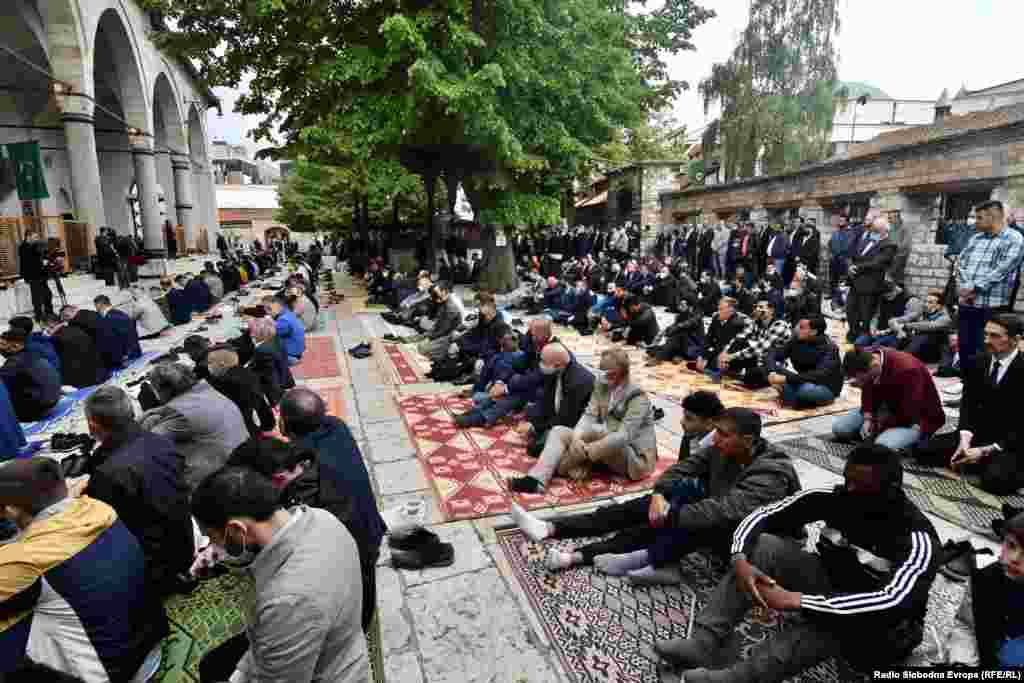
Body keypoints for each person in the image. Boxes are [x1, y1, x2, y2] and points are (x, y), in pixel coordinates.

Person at [653, 443, 939, 682]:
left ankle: (738, 678)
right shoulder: (836, 497)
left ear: (891, 488)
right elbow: (761, 515)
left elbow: (891, 601)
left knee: (822, 630)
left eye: (861, 486)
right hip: (832, 582)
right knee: (763, 546)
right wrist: (739, 557)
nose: (849, 489)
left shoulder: (917, 538)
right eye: (847, 479)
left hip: (880, 624)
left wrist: (797, 600)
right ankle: (704, 643)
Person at [192, 467, 369, 683]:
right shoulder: (323, 518)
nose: (212, 545)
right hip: (342, 648)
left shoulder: (287, 602)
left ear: (237, 530)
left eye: (211, 537)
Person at [0, 457, 167, 681]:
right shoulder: (100, 509)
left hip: (113, 675)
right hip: (151, 649)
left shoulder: (22, 560)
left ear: (10, 509)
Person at [278, 387, 388, 630]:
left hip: (351, 543)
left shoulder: (302, 464)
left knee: (354, 583)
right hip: (369, 525)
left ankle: (357, 626)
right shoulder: (337, 426)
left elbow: (303, 516)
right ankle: (362, 620)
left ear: (284, 423)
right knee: (365, 577)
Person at [82, 386, 195, 595]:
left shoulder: (107, 474)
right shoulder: (159, 441)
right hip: (185, 544)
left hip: (154, 565)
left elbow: (103, 526)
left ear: (92, 424)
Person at [508, 348, 657, 493]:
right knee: (559, 431)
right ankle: (536, 480)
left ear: (618, 374)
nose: (600, 374)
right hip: (603, 444)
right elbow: (589, 414)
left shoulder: (637, 398)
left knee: (595, 433)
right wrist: (576, 438)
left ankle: (570, 466)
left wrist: (584, 451)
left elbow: (622, 437)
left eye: (605, 371)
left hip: (633, 459)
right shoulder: (602, 384)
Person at [913, 314, 1024, 494]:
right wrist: (965, 437)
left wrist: (987, 450)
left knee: (996, 481)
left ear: (1016, 339)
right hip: (977, 433)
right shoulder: (978, 361)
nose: (987, 340)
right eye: (986, 334)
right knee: (921, 450)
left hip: (1009, 442)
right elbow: (968, 403)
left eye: (995, 336)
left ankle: (984, 461)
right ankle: (974, 459)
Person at [139, 362, 249, 491]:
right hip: (240, 456)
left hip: (218, 476)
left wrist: (146, 419)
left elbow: (150, 442)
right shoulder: (206, 391)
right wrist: (153, 413)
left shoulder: (181, 415)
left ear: (163, 390)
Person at [942, 510, 1024, 668]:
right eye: (1011, 545)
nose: (1014, 558)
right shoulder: (983, 578)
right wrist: (963, 662)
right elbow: (965, 624)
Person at [832, 347, 945, 451]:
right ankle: (873, 433)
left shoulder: (909, 371)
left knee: (882, 446)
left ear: (874, 366)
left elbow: (908, 414)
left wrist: (877, 425)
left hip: (915, 418)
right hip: (883, 409)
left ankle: (912, 439)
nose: (858, 382)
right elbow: (868, 390)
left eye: (860, 379)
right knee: (840, 428)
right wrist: (868, 417)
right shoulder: (867, 355)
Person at [955, 200, 1024, 366]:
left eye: (979, 218)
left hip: (992, 306)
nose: (975, 221)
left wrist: (973, 287)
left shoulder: (1014, 239)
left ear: (993, 217)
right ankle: (967, 384)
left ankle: (983, 388)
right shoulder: (976, 238)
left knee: (986, 350)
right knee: (965, 348)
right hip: (967, 303)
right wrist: (963, 286)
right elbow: (960, 262)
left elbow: (1002, 270)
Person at [516, 342, 595, 456]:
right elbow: (546, 401)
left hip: (574, 425)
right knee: (530, 413)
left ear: (557, 364)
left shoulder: (578, 382)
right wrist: (533, 424)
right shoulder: (556, 371)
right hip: (558, 414)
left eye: (543, 362)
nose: (540, 364)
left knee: (534, 449)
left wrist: (536, 428)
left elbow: (566, 418)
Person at [766, 316, 843, 408]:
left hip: (824, 386)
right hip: (800, 380)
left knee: (805, 390)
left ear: (813, 332)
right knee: (763, 369)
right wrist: (771, 372)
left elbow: (818, 375)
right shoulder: (796, 340)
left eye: (802, 327)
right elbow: (772, 353)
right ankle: (792, 395)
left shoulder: (830, 348)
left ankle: (790, 394)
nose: (796, 329)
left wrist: (786, 379)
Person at [846, 213, 898, 343]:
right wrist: (850, 266)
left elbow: (878, 263)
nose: (872, 231)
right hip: (855, 283)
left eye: (876, 229)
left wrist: (857, 267)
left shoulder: (889, 245)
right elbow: (854, 255)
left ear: (884, 230)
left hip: (870, 286)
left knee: (866, 315)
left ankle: (864, 341)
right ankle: (853, 334)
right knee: (850, 311)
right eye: (873, 229)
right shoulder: (867, 240)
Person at [206, 347, 276, 436]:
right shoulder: (250, 374)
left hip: (244, 429)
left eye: (209, 363)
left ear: (221, 364)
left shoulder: (221, 382)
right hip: (262, 422)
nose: (208, 366)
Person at [723, 299, 791, 387]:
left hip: (773, 363)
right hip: (759, 358)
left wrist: (731, 356)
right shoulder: (756, 322)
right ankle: (731, 371)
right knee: (740, 344)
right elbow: (740, 337)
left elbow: (761, 347)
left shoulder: (779, 325)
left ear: (771, 310)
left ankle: (751, 379)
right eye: (756, 307)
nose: (757, 309)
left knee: (752, 374)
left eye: (761, 307)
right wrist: (725, 353)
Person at [0, 329, 61, 422]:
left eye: (2, 344)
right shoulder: (33, 354)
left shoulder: (15, 362)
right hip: (52, 403)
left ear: (15, 346)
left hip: (36, 411)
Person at [41, 313, 109, 388]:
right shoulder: (76, 329)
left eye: (43, 328)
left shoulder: (55, 339)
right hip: (100, 373)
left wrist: (46, 339)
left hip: (83, 382)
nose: (44, 331)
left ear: (51, 324)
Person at [693, 297, 754, 375]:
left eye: (721, 309)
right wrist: (702, 356)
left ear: (731, 310)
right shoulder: (716, 317)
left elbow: (732, 345)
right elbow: (708, 338)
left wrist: (712, 360)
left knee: (711, 370)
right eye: (718, 308)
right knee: (700, 363)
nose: (718, 312)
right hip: (718, 349)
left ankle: (732, 370)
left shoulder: (738, 322)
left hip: (731, 354)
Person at [244, 316, 295, 406]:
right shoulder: (277, 339)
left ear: (260, 332)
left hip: (272, 389)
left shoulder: (262, 350)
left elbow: (256, 370)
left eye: (251, 330)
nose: (250, 334)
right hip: (283, 377)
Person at [894, 289, 953, 362]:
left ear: (939, 306)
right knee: (897, 334)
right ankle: (893, 354)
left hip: (933, 353)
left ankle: (902, 356)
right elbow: (898, 320)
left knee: (926, 333)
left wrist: (906, 326)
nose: (926, 304)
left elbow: (930, 326)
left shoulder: (945, 318)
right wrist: (898, 328)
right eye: (925, 301)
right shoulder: (922, 313)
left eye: (930, 302)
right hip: (919, 348)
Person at [646, 293, 704, 365]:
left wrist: (673, 328)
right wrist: (665, 331)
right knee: (651, 350)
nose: (680, 307)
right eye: (680, 305)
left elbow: (686, 324)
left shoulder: (698, 315)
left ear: (690, 307)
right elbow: (672, 330)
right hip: (680, 344)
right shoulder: (681, 315)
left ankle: (659, 358)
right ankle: (677, 356)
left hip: (693, 347)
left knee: (678, 335)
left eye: (683, 305)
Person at [417, 282, 463, 363]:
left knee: (422, 348)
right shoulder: (444, 301)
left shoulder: (451, 306)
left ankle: (441, 354)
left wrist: (430, 337)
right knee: (423, 326)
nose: (435, 294)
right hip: (441, 330)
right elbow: (438, 321)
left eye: (437, 292)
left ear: (444, 292)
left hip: (449, 334)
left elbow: (444, 329)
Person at [94, 294, 142, 368]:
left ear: (101, 305)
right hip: (136, 351)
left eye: (97, 308)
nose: (97, 311)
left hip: (128, 358)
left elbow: (115, 342)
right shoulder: (120, 313)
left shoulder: (108, 318)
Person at [18, 231, 53, 322]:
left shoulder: (36, 245)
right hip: (32, 276)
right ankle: (39, 316)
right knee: (37, 297)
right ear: (28, 237)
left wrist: (45, 259)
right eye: (35, 237)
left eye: (37, 237)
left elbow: (41, 255)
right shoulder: (23, 247)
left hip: (41, 274)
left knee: (47, 294)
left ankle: (49, 313)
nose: (37, 238)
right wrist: (41, 262)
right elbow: (28, 262)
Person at [269, 294, 306, 366]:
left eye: (270, 309)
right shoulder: (289, 313)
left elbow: (270, 336)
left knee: (262, 350)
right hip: (298, 350)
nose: (269, 312)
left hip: (292, 355)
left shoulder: (283, 320)